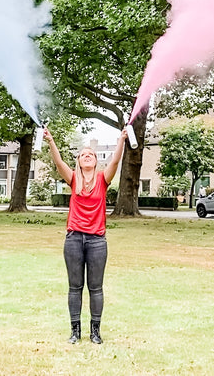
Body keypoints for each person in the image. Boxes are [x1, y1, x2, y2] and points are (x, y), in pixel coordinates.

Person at [43, 126, 128, 344]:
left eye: (91, 154)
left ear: (96, 161)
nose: (87, 156)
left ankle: (95, 331)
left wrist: (121, 140)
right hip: (74, 239)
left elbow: (115, 162)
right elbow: (58, 163)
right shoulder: (73, 179)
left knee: (95, 288)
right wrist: (51, 141)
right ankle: (75, 331)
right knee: (75, 287)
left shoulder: (102, 179)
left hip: (97, 241)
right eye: (83, 154)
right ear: (79, 161)